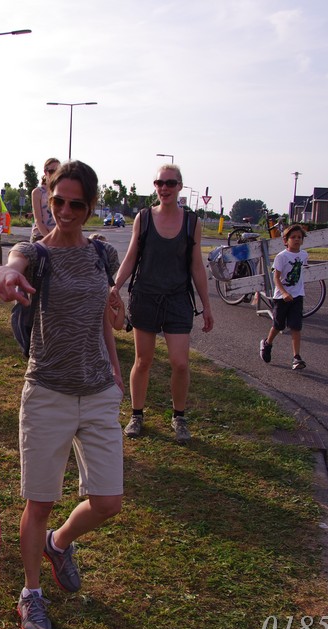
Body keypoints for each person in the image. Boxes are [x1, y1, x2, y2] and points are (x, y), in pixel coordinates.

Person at [0, 160, 125, 629]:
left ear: (90, 207)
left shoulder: (102, 254)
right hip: (48, 391)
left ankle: (59, 543)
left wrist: (115, 372)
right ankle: (31, 592)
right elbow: (11, 265)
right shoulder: (36, 252)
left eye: (76, 204)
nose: (66, 211)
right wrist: (6, 276)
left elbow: (104, 316)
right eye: (58, 202)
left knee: (108, 501)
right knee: (40, 502)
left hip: (98, 391)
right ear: (49, 201)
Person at [111, 163, 214, 444]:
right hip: (145, 296)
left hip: (178, 300)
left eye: (170, 183)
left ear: (179, 186)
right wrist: (116, 286)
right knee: (143, 360)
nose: (164, 188)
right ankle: (137, 415)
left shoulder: (192, 222)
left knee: (180, 363)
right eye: (159, 183)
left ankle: (179, 417)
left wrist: (207, 305)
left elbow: (196, 266)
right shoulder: (144, 218)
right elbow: (131, 256)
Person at [259, 224, 309, 369]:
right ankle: (267, 343)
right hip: (282, 298)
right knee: (278, 325)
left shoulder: (304, 255)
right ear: (285, 240)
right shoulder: (281, 257)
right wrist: (284, 293)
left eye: (299, 237)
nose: (297, 240)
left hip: (297, 296)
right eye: (293, 237)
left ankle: (296, 357)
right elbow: (276, 278)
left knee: (296, 326)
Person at [30, 158, 60, 242]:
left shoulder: (61, 191)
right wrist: (50, 239)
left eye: (58, 171)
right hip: (40, 236)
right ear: (45, 172)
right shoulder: (38, 192)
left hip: (58, 237)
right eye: (52, 171)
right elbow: (38, 220)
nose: (55, 174)